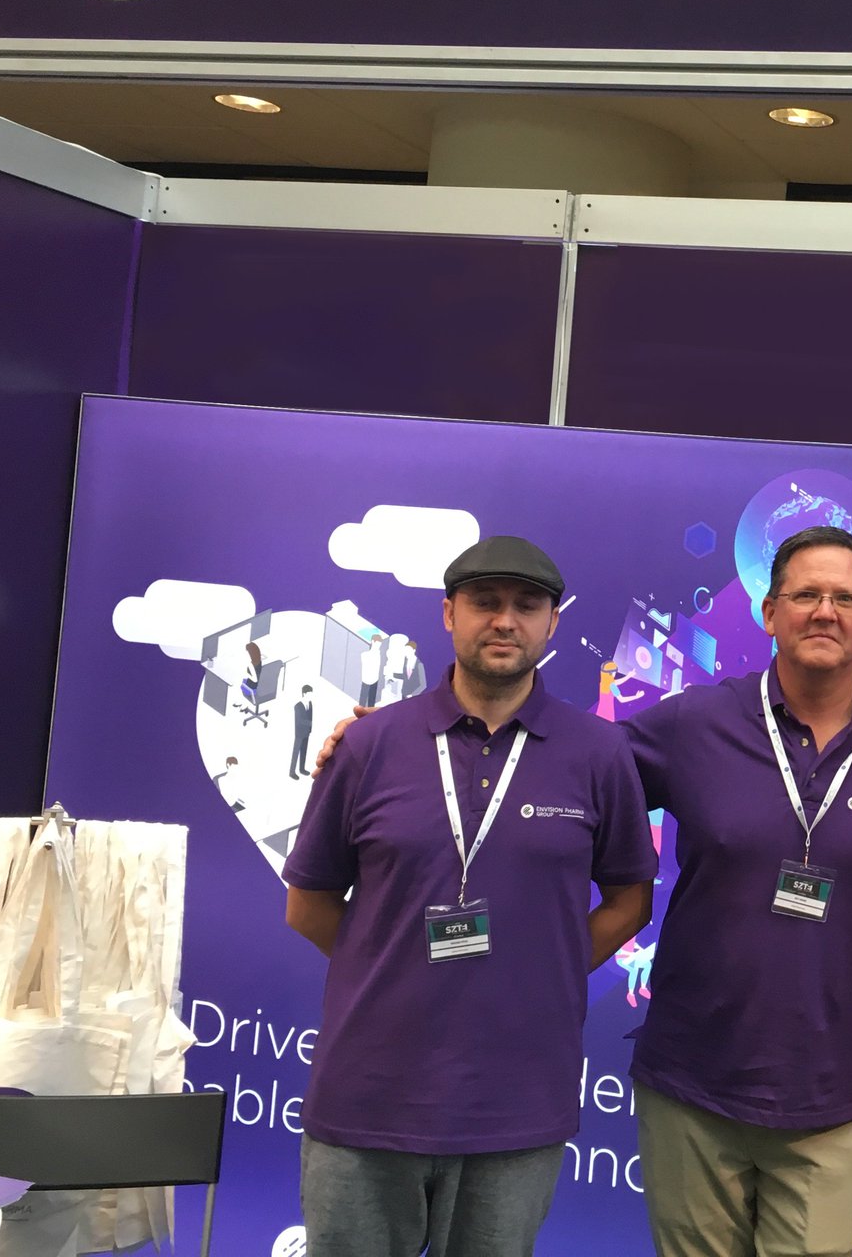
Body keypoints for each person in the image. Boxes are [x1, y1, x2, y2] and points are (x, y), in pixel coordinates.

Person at [283, 535, 657, 1257]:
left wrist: (542, 971)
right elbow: (309, 904)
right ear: (449, 614)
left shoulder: (599, 753)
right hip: (369, 1097)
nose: (505, 621)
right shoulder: (369, 745)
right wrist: (388, 963)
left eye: (527, 606)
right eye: (485, 603)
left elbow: (629, 901)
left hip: (516, 1104)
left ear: (552, 623)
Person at [621, 526, 852, 1257]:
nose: (825, 611)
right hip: (691, 1088)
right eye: (805, 595)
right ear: (769, 613)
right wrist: (404, 745)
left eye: (845, 598)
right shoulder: (694, 722)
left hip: (828, 1098)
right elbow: (564, 778)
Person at [289, 684, 315, 779]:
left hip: (307, 732)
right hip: (299, 733)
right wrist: (309, 723)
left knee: (304, 751)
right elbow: (299, 720)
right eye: (309, 694)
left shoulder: (310, 704)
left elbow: (311, 716)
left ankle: (302, 769)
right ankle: (292, 772)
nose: (311, 696)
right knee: (296, 752)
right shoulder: (298, 706)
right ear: (304, 694)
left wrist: (310, 729)